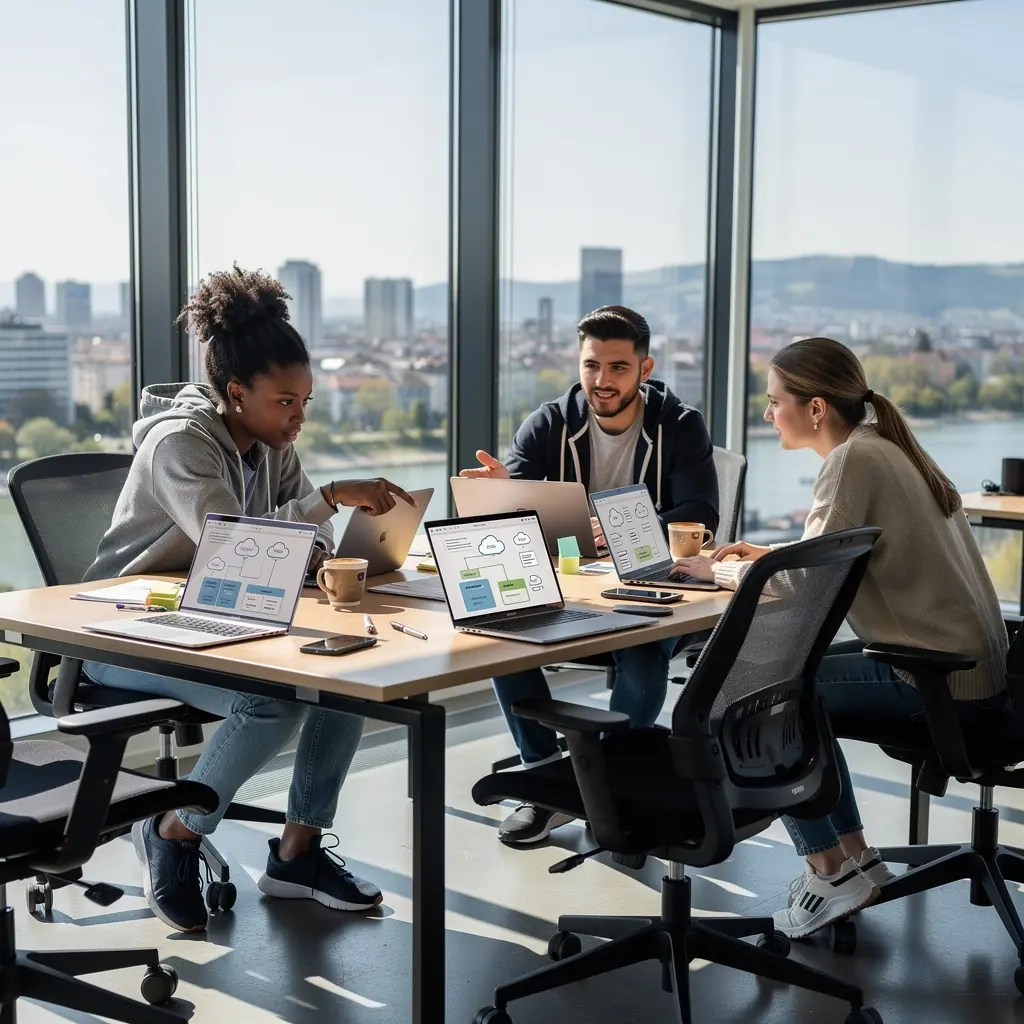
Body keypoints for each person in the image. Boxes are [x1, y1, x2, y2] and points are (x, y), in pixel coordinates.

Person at [82, 265, 415, 933]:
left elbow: (294, 539)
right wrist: (325, 503)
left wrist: (326, 549)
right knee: (267, 701)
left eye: (305, 403)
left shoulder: (271, 445)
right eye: (285, 402)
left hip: (212, 618)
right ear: (237, 392)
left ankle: (297, 855)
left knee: (344, 678)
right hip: (118, 634)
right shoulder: (180, 444)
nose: (297, 418)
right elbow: (236, 547)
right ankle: (174, 830)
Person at [671, 336, 1008, 939]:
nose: (769, 414)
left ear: (817, 407)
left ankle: (829, 866)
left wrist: (716, 569)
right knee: (793, 682)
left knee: (763, 692)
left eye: (775, 402)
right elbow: (829, 555)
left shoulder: (850, 461)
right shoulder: (882, 449)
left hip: (938, 677)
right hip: (969, 667)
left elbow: (801, 587)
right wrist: (769, 554)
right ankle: (854, 857)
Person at [461, 305, 719, 843]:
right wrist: (502, 494)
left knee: (645, 659)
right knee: (497, 634)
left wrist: (621, 524)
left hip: (650, 593)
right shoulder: (549, 423)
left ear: (644, 370)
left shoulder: (681, 425)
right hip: (573, 595)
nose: (602, 381)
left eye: (619, 367)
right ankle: (544, 780)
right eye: (591, 365)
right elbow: (518, 518)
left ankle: (605, 786)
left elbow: (698, 516)